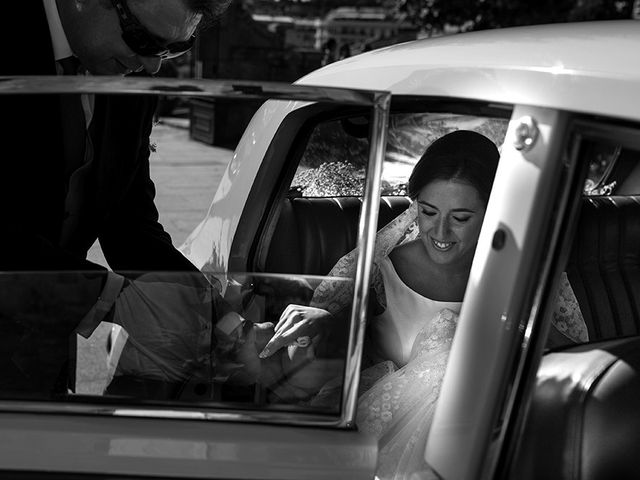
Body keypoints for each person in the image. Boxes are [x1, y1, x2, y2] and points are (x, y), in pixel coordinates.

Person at [260, 130, 588, 479]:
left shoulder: (518, 274)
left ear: (493, 211)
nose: (441, 232)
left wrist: (516, 313)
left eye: (461, 218)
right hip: (392, 440)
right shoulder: (382, 271)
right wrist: (325, 321)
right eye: (429, 212)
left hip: (502, 441)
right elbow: (333, 345)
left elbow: (573, 363)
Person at [0, 0, 233, 396]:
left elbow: (129, 222)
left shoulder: (132, 73)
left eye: (174, 48)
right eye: (144, 39)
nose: (154, 64)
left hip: (37, 359)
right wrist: (107, 299)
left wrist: (210, 309)